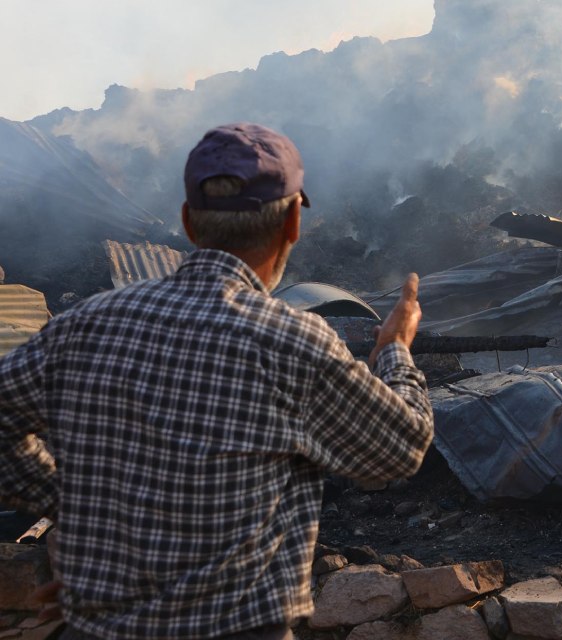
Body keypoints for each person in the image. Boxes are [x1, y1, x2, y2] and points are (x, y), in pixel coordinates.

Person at [0, 123, 433, 639]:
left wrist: (74, 506)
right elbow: (398, 448)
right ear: (293, 221)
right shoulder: (292, 341)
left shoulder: (82, 325)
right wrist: (395, 351)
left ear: (187, 221)